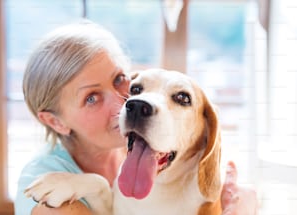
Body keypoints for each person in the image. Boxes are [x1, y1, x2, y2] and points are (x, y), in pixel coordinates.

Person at [14, 20, 257, 215]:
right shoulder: (41, 183)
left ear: (205, 130)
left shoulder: (136, 148)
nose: (127, 102)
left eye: (121, 80)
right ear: (56, 122)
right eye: (91, 97)